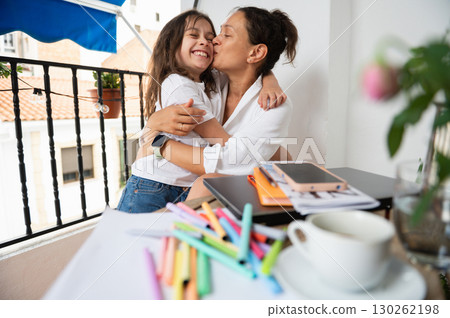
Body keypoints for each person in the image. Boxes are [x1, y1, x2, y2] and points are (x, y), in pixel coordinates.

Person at [117, 9, 286, 213]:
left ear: (256, 52)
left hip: (181, 184)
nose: (211, 41)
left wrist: (269, 81)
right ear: (173, 45)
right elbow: (221, 140)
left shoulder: (212, 82)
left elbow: (254, 71)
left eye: (218, 35)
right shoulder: (182, 86)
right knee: (133, 237)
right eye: (194, 35)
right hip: (153, 184)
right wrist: (154, 134)